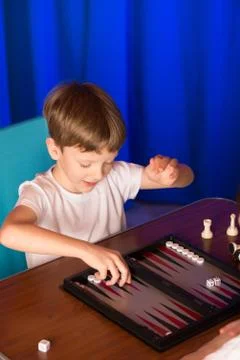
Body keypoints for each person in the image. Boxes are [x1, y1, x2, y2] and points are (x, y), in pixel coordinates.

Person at [0, 82, 194, 287]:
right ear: (55, 150)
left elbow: (188, 177)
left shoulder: (115, 176)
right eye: (86, 164)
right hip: (54, 293)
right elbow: (9, 232)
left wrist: (171, 175)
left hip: (109, 282)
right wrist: (86, 250)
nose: (98, 174)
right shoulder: (40, 192)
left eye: (108, 161)